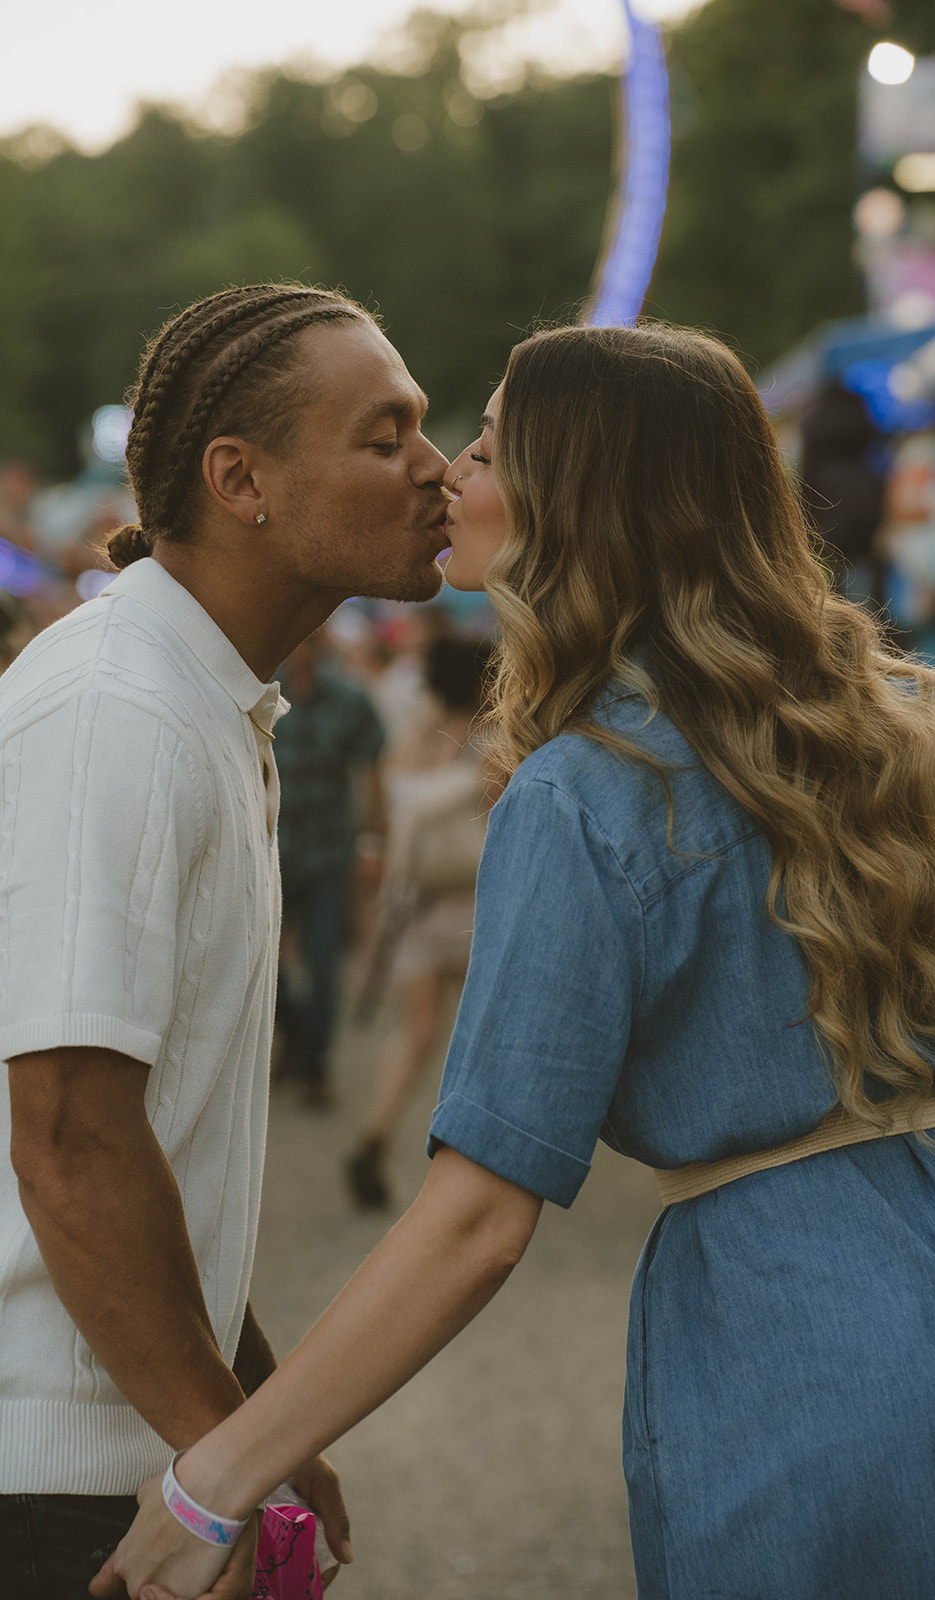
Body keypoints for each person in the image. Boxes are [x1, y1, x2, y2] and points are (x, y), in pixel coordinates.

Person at [97, 323, 935, 1600]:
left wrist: (215, 1474)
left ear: (576, 497)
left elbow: (481, 1218)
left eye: (489, 450)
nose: (447, 474)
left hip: (808, 1361)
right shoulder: (896, 737)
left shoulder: (580, 794)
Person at [0, 280, 452, 1599]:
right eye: (384, 437)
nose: (434, 469)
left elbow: (164, 1135)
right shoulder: (115, 712)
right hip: (57, 1489)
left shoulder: (200, 701)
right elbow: (72, 1132)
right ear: (239, 479)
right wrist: (222, 1459)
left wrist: (252, 1399)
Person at [346, 633, 493, 1208]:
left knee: (417, 1033)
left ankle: (375, 1135)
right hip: (472, 905)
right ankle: (464, 1170)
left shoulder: (410, 740)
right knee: (477, 1038)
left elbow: (387, 821)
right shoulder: (493, 743)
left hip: (412, 907)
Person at [273, 629, 388, 1109]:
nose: (299, 646)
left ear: (319, 644)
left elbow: (372, 776)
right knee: (263, 964)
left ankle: (315, 1066)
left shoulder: (351, 700)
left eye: (308, 639)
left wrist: (373, 844)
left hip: (327, 853)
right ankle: (296, 1038)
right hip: (272, 850)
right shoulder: (263, 693)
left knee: (324, 963)